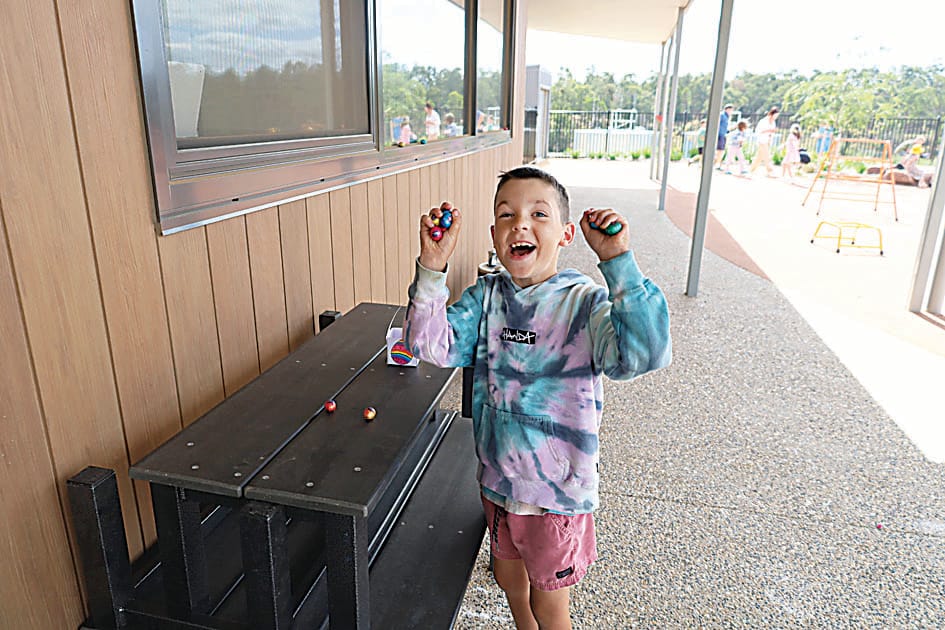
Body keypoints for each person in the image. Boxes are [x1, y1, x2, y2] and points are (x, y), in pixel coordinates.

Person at [404, 166, 672, 629]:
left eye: (538, 214)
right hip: (498, 481)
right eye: (506, 214)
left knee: (551, 605)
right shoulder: (486, 298)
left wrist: (619, 263)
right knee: (509, 579)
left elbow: (644, 353)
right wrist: (432, 268)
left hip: (556, 495)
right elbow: (429, 345)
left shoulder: (584, 304)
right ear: (493, 233)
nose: (520, 224)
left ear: (567, 233)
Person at [750, 106, 780, 177]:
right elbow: (759, 131)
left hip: (767, 141)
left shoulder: (773, 122)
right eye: (775, 115)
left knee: (759, 157)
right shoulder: (763, 121)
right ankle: (769, 171)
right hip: (762, 140)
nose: (775, 117)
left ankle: (751, 169)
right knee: (767, 156)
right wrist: (769, 130)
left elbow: (771, 132)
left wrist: (771, 134)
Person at [714, 104, 734, 169]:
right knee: (720, 151)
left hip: (723, 135)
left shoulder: (727, 117)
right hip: (720, 135)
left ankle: (717, 164)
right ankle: (716, 164)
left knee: (721, 151)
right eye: (730, 110)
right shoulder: (722, 115)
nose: (731, 111)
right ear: (727, 109)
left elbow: (725, 128)